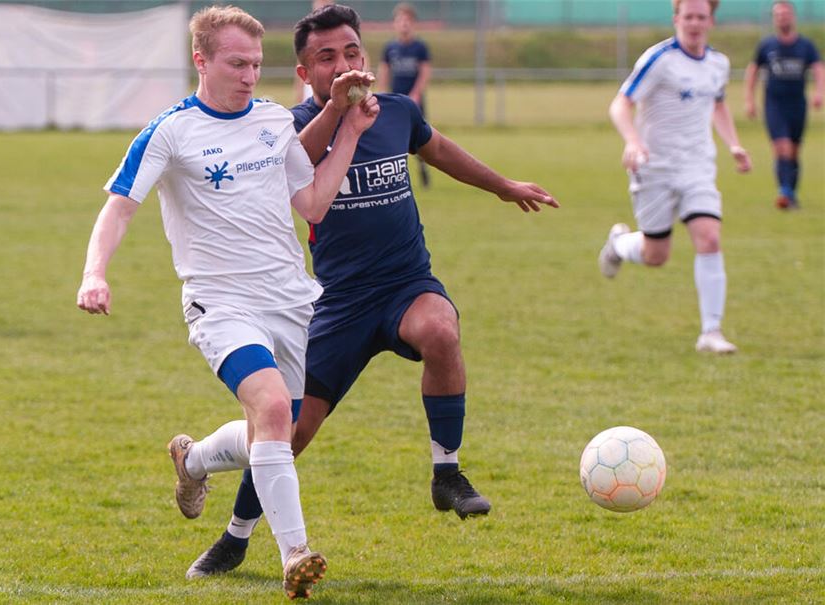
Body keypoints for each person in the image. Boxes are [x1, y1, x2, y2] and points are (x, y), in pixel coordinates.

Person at [185, 3, 559, 580]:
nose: (344, 64)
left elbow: (441, 151)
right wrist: (337, 114)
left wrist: (503, 186)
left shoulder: (397, 113)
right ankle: (236, 538)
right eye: (327, 57)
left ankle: (447, 472)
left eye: (353, 52)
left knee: (439, 328)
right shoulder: (285, 130)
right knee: (290, 428)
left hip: (405, 283)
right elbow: (290, 168)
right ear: (305, 72)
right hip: (334, 303)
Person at [75, 6, 377, 600]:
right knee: (269, 406)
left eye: (256, 65)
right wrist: (95, 273)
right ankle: (296, 554)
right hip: (220, 302)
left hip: (290, 301)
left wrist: (351, 133)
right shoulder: (169, 131)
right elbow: (119, 206)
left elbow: (313, 203)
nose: (248, 76)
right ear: (202, 61)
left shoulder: (271, 120)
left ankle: (191, 463)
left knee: (276, 430)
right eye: (237, 63)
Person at [598, 0, 751, 354]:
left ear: (712, 21)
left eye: (701, 17)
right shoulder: (659, 59)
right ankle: (619, 244)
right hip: (654, 168)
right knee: (656, 255)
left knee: (709, 238)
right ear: (676, 19)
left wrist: (734, 145)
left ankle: (710, 332)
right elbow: (621, 103)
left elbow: (718, 104)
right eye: (688, 16)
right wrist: (633, 142)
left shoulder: (718, 64)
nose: (694, 23)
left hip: (698, 167)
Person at [743, 0, 823, 210]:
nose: (782, 18)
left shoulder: (805, 46)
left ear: (793, 17)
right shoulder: (767, 46)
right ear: (774, 19)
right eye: (778, 15)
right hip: (774, 105)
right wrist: (749, 100)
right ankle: (784, 192)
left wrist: (819, 93)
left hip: (797, 105)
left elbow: (818, 68)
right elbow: (753, 71)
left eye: (786, 14)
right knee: (782, 148)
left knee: (794, 151)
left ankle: (791, 193)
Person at [378, 2, 432, 187]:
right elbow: (384, 70)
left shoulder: (420, 47)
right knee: (395, 137)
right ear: (395, 23)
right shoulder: (390, 47)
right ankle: (399, 174)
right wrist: (383, 92)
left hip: (414, 100)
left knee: (419, 138)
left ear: (413, 23)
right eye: (400, 20)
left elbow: (425, 71)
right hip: (395, 100)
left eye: (407, 20)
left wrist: (416, 93)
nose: (404, 24)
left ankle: (423, 168)